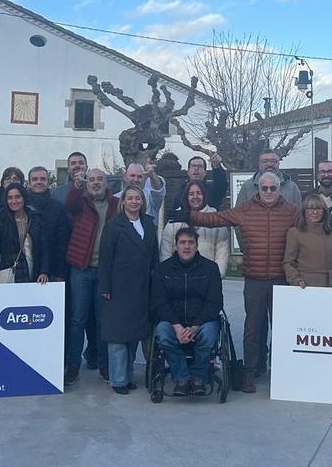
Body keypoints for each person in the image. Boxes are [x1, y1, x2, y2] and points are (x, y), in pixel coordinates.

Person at [183, 172, 332, 392]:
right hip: (254, 280)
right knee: (252, 329)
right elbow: (217, 219)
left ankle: (279, 371)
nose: (268, 192)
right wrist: (190, 216)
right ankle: (249, 373)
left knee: (282, 329)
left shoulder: (291, 211)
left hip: (281, 280)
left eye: (273, 188)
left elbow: (319, 217)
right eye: (264, 188)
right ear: (258, 188)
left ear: (279, 189)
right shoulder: (245, 209)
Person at [98, 186, 158, 394]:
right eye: (130, 198)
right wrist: (105, 286)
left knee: (133, 335)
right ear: (123, 202)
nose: (134, 201)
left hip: (142, 287)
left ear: (142, 201)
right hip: (119, 287)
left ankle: (127, 377)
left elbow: (154, 255)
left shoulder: (148, 224)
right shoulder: (113, 226)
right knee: (117, 336)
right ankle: (118, 380)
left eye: (137, 198)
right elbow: (105, 259)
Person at [152, 227, 224, 395]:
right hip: (172, 321)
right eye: (182, 242)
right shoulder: (162, 270)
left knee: (209, 334)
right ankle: (182, 378)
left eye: (191, 242)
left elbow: (215, 303)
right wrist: (177, 326)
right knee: (163, 333)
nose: (186, 246)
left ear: (197, 246)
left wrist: (195, 326)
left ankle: (198, 378)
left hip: (201, 321)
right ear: (175, 246)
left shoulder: (210, 268)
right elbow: (159, 302)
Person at [64, 169, 120, 384]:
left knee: (102, 319)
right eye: (92, 180)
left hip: (106, 270)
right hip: (81, 268)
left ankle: (104, 365)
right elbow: (69, 204)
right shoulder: (81, 202)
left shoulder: (116, 204)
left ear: (107, 183)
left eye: (100, 179)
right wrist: (76, 186)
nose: (96, 183)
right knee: (77, 319)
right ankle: (73, 366)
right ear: (87, 184)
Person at [160, 180, 230, 276]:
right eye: (191, 194)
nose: (195, 197)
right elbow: (165, 250)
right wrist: (169, 274)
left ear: (204, 196)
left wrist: (217, 275)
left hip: (207, 277)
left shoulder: (215, 218)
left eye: (199, 193)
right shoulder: (175, 218)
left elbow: (222, 251)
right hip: (178, 277)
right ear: (186, 197)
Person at [0, 184, 53, 284]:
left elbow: (45, 248)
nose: (14, 201)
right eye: (10, 198)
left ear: (24, 198)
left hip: (34, 273)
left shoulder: (35, 218)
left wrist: (44, 271)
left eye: (17, 197)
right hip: (8, 275)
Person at [283, 194, 332, 288]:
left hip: (329, 285)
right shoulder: (294, 233)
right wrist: (296, 280)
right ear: (304, 211)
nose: (315, 212)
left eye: (319, 208)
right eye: (310, 208)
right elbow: (288, 262)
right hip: (304, 286)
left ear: (324, 211)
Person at [236, 150, 303, 207]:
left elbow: (298, 213)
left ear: (278, 163)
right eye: (265, 161)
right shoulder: (247, 186)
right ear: (259, 164)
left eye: (273, 161)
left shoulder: (291, 187)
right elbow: (238, 212)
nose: (269, 164)